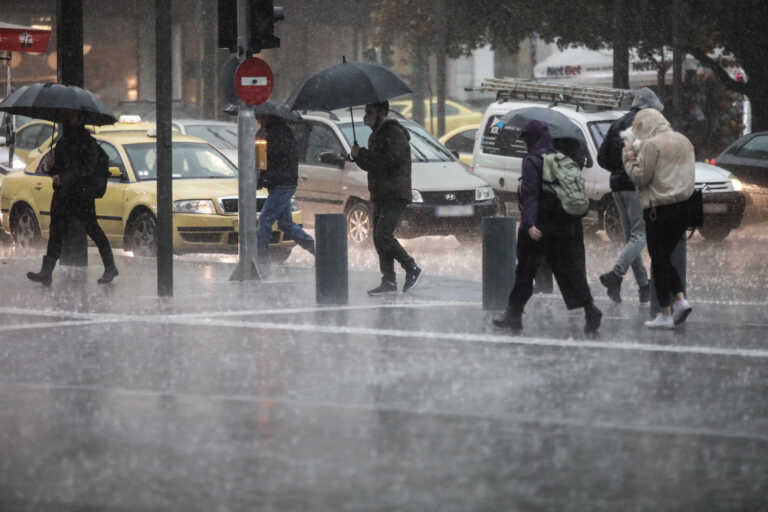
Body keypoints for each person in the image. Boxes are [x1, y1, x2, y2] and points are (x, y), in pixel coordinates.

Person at [493, 120, 602, 334]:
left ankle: (513, 315)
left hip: (540, 226)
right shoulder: (560, 158)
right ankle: (591, 309)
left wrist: (530, 224)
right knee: (569, 270)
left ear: (531, 139)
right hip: (562, 224)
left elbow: (531, 195)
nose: (524, 143)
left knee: (524, 271)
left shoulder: (532, 160)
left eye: (525, 138)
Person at [623, 108, 695, 329]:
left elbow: (640, 177)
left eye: (639, 127)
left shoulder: (652, 145)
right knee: (664, 257)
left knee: (659, 259)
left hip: (659, 209)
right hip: (684, 207)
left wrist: (628, 156)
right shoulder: (684, 140)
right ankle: (680, 300)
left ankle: (666, 312)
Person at [27, 111, 118, 286]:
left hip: (81, 196)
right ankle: (47, 272)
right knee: (56, 232)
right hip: (63, 195)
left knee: (93, 230)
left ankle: (110, 267)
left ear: (81, 119)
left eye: (72, 117)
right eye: (67, 117)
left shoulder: (89, 144)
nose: (68, 120)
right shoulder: (62, 142)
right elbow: (59, 169)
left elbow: (87, 171)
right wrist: (51, 168)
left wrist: (65, 177)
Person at [596, 87, 664, 304]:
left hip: (616, 185)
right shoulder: (646, 122)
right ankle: (615, 275)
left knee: (630, 237)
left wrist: (618, 169)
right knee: (639, 235)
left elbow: (602, 157)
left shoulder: (618, 122)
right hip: (636, 184)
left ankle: (644, 286)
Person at [351, 101, 422, 295]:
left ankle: (411, 267)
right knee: (378, 237)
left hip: (395, 194)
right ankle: (388, 280)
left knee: (383, 234)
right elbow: (373, 165)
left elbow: (388, 162)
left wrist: (364, 154)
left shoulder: (393, 133)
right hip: (381, 194)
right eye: (365, 111)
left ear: (382, 112)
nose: (366, 115)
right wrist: (358, 156)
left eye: (370, 111)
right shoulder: (377, 134)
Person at [255, 114, 315, 271]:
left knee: (265, 219)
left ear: (269, 117)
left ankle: (259, 259)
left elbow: (270, 160)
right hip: (281, 183)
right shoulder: (276, 131)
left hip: (282, 183)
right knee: (285, 223)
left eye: (259, 117)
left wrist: (261, 142)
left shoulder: (278, 133)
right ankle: (318, 250)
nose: (258, 120)